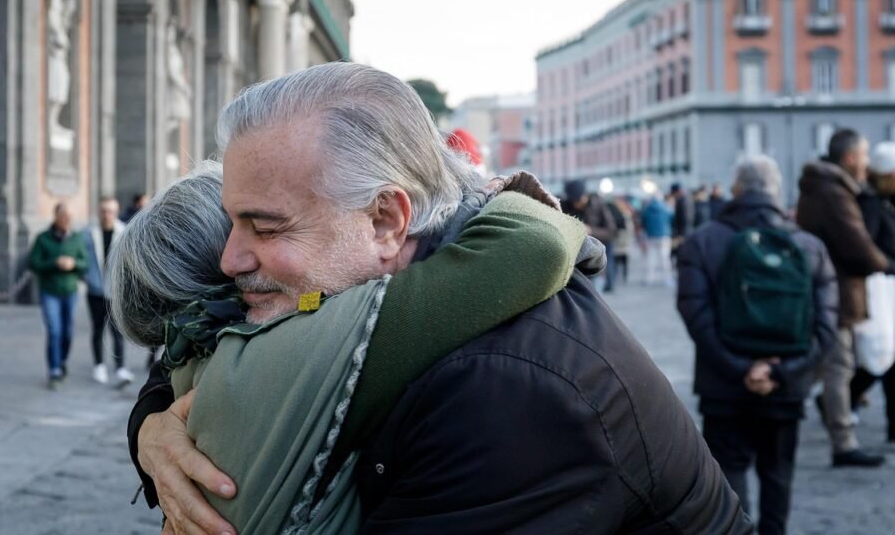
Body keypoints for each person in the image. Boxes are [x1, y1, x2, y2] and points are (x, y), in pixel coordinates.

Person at [130, 62, 750, 534]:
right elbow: (215, 339)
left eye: (265, 228)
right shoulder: (338, 293)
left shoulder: (507, 390)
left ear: (385, 222)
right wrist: (153, 431)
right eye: (233, 222)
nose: (230, 259)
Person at [110, 161, 589, 532]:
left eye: (264, 227)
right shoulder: (318, 339)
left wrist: (148, 428)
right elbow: (535, 245)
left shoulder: (206, 350)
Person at [677, 156, 838, 534]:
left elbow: (695, 314)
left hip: (723, 385)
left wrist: (741, 368)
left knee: (729, 477)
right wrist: (780, 372)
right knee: (778, 473)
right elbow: (826, 326)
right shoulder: (809, 246)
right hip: (786, 386)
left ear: (735, 189)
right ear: (777, 191)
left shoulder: (703, 241)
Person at [796, 129, 894, 467]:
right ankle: (844, 442)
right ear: (850, 158)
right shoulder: (834, 193)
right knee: (839, 365)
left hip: (831, 288)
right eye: (864, 156)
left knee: (827, 364)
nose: (867, 163)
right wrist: (885, 264)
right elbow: (857, 243)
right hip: (837, 291)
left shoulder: (825, 188)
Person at [849, 141, 895, 439]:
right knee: (881, 354)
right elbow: (870, 248)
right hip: (882, 288)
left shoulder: (884, 201)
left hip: (888, 286)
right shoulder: (871, 203)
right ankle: (846, 396)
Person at [28, 203, 88, 389]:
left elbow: (85, 263)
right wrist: (54, 263)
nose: (67, 220)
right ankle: (54, 369)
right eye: (64, 216)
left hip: (70, 291)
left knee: (67, 332)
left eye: (69, 216)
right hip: (50, 291)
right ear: (56, 217)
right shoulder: (43, 238)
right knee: (54, 330)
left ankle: (62, 360)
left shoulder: (77, 238)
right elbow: (33, 263)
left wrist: (74, 264)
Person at [82, 196, 131, 386]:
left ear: (116, 212)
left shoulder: (124, 232)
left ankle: (120, 368)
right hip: (95, 290)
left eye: (110, 211)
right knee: (97, 329)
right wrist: (87, 277)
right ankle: (99, 365)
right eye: (103, 211)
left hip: (115, 291)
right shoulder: (88, 233)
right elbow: (81, 257)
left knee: (117, 331)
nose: (107, 215)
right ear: (98, 212)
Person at [562, 179, 618, 292]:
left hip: (601, 245)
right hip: (579, 251)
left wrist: (591, 230)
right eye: (573, 201)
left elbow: (612, 231)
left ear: (584, 196)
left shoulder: (598, 204)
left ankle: (610, 285)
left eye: (578, 200)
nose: (576, 204)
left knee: (600, 278)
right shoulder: (566, 205)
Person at [642, 191, 674, 287]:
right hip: (664, 236)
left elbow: (643, 222)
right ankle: (667, 279)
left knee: (650, 258)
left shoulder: (647, 209)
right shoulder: (667, 208)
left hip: (651, 236)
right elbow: (672, 220)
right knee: (665, 258)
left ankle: (649, 278)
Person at [610, 194, 636, 285]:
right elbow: (630, 229)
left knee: (617, 260)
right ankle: (623, 276)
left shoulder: (615, 214)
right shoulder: (626, 214)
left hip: (619, 240)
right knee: (624, 260)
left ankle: (617, 276)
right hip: (624, 241)